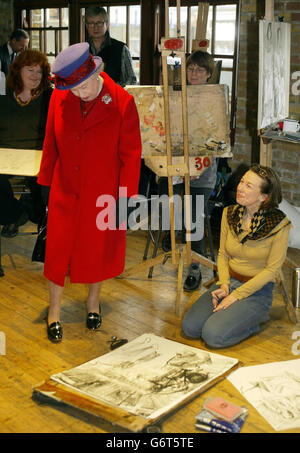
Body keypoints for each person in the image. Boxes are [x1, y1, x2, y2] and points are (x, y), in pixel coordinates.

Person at [37, 42, 142, 342]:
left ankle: (93, 303)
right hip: (65, 188)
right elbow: (50, 143)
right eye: (73, 90)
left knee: (96, 251)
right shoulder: (60, 97)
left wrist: (126, 199)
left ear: (97, 72)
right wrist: (45, 185)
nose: (78, 95)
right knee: (57, 254)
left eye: (83, 87)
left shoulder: (122, 102)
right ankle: (53, 311)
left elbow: (131, 155)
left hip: (102, 192)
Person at [182, 164, 292, 349]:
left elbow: (272, 270)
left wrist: (237, 295)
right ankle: (234, 314)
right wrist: (224, 285)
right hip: (229, 282)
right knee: (190, 328)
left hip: (257, 291)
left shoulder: (279, 224)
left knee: (213, 336)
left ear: (264, 197)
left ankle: (255, 318)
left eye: (249, 186)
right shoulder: (229, 214)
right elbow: (223, 254)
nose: (240, 188)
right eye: (242, 181)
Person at [160, 51, 218, 292]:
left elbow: (216, 140)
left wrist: (197, 167)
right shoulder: (176, 95)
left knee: (194, 219)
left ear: (208, 74)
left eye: (199, 70)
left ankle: (194, 266)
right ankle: (175, 243)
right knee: (174, 212)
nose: (194, 74)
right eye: (190, 69)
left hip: (201, 174)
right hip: (176, 168)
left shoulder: (214, 98)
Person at [0, 49, 53, 237]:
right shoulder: (3, 95)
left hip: (36, 156)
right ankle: (15, 213)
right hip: (4, 155)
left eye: (40, 71)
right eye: (30, 70)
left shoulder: (50, 97)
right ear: (18, 70)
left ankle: (29, 212)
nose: (35, 75)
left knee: (42, 202)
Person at [85, 6, 137, 87]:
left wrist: (113, 89)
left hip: (115, 97)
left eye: (99, 23)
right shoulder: (81, 51)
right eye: (91, 23)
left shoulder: (121, 48)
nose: (95, 27)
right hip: (86, 98)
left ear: (107, 23)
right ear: (87, 26)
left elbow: (131, 80)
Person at [0, 29, 29, 94]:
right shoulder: (1, 53)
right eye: (22, 46)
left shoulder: (18, 54)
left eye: (25, 47)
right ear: (13, 41)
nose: (23, 50)